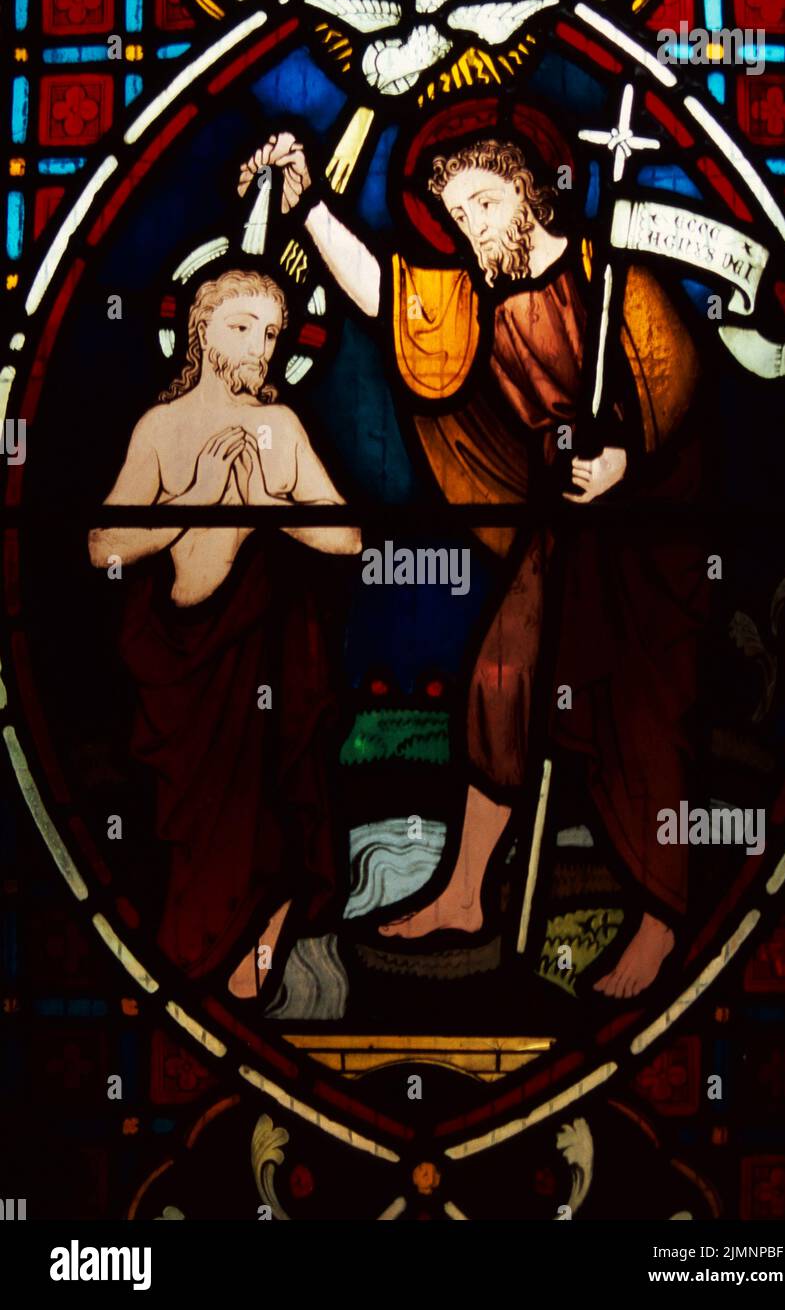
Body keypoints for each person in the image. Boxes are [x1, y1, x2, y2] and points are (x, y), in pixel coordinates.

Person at [239, 132, 707, 997]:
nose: (472, 224)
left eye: (485, 204)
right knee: (498, 680)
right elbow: (384, 296)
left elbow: (680, 386)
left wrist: (624, 465)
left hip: (642, 534)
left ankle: (659, 921)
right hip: (555, 526)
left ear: (530, 194)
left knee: (639, 710)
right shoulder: (469, 300)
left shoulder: (615, 280)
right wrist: (307, 204)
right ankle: (464, 894)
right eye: (458, 215)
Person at [88, 268, 361, 1000]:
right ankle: (203, 966)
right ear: (201, 331)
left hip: (262, 664)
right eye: (243, 326)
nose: (261, 347)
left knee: (272, 819)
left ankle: (260, 954)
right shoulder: (161, 428)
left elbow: (346, 537)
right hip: (180, 672)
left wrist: (272, 507)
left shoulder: (282, 429)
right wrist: (196, 499)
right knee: (192, 835)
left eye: (272, 333)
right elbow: (102, 547)